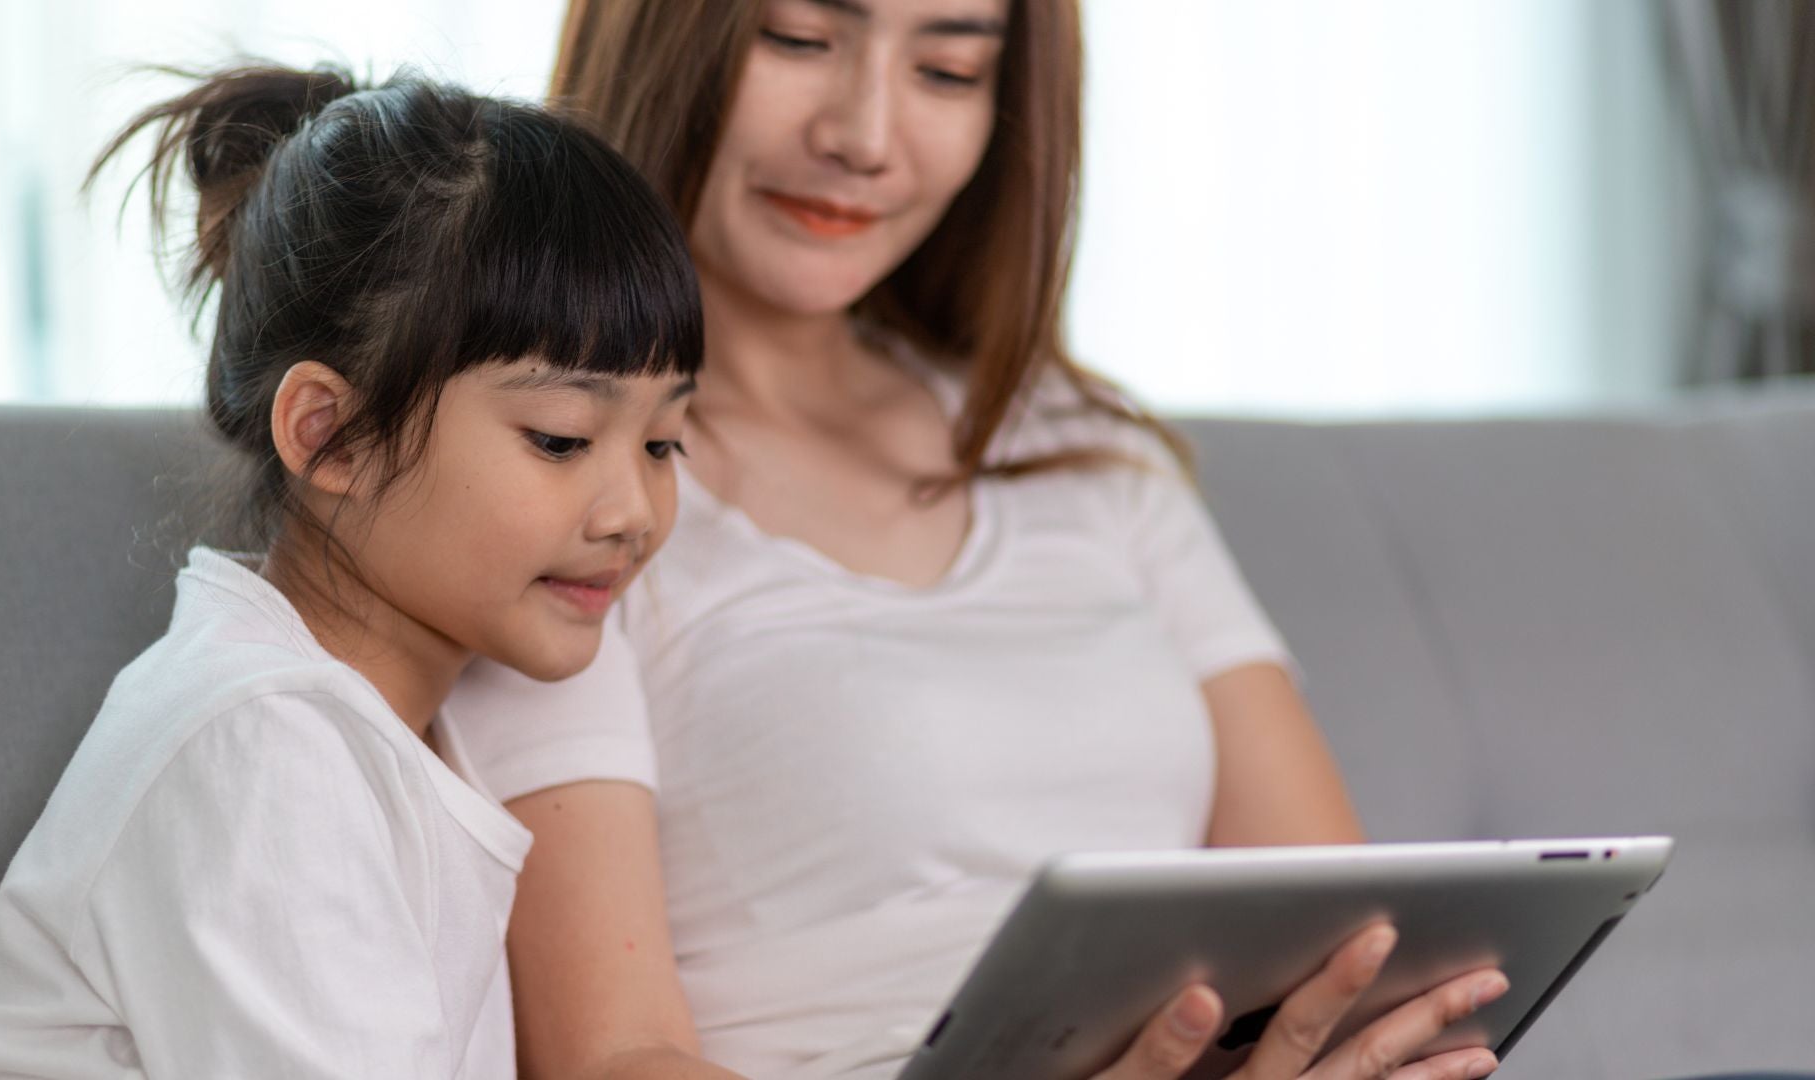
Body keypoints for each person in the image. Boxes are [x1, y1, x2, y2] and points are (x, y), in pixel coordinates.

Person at [438, 1, 1506, 1078]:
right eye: (801, 40)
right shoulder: (562, 489)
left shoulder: (1083, 448)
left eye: (947, 71)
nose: (863, 136)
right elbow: (612, 1058)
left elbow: (1352, 944)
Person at [0, 64, 703, 1079]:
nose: (634, 514)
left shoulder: (374, 723)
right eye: (559, 439)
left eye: (664, 443)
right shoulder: (264, 750)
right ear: (332, 438)